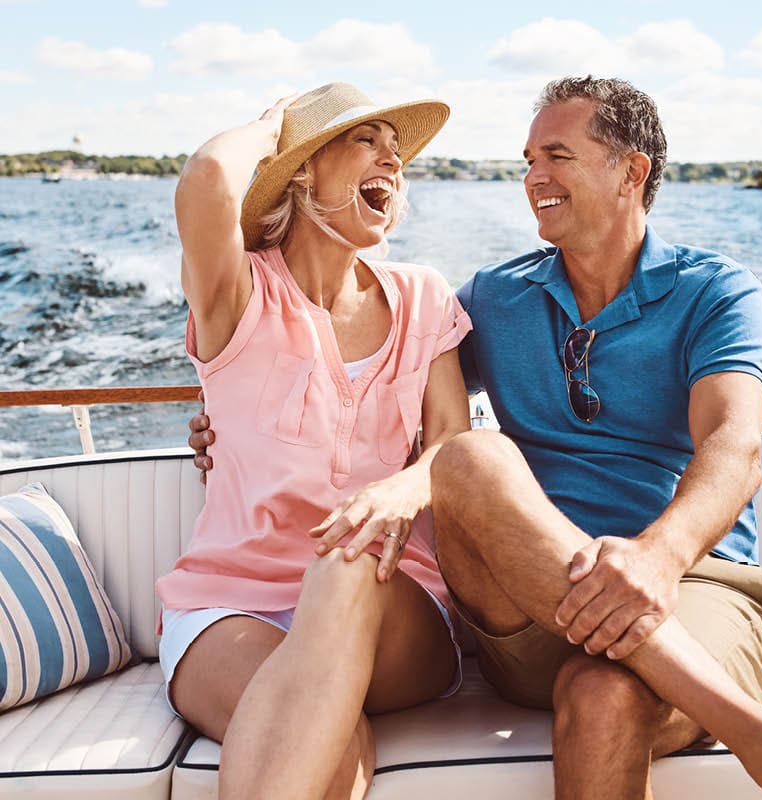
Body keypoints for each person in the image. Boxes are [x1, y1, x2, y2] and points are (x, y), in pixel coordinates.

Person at [190, 78, 762, 800]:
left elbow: (734, 446)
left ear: (632, 170)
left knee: (605, 696)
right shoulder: (493, 299)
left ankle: (753, 729)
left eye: (557, 155)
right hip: (528, 609)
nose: (534, 177)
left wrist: (657, 558)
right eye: (528, 159)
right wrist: (225, 421)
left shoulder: (716, 292)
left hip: (691, 584)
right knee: (474, 454)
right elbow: (376, 385)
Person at [157, 82, 472, 800]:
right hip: (231, 602)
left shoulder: (425, 296)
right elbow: (207, 180)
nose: (392, 161)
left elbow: (452, 440)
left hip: (394, 598)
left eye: (399, 153)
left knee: (349, 566)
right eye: (367, 141)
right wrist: (276, 128)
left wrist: (402, 486)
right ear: (302, 170)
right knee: (330, 746)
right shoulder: (238, 295)